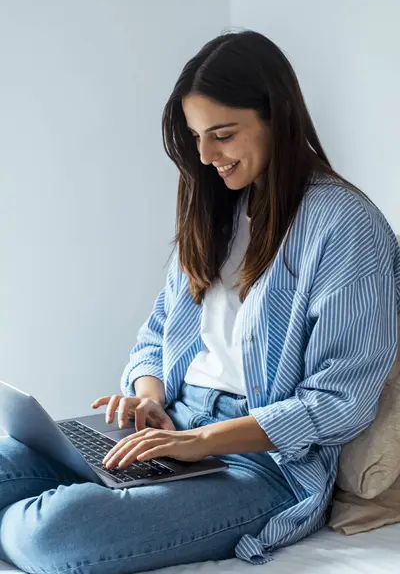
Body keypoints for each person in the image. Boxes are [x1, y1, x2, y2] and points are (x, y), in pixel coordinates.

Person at [1, 29, 399, 574]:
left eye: (224, 134)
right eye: (195, 137)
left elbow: (338, 401)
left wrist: (203, 439)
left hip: (262, 465)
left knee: (52, 532)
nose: (207, 156)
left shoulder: (345, 226)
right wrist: (148, 396)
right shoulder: (218, 210)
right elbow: (156, 333)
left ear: (277, 117)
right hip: (171, 426)